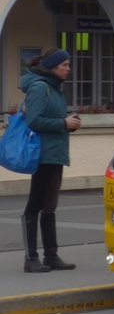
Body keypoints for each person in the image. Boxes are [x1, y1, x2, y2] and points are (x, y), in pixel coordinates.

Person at [20, 48, 82, 273]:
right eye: (64, 65)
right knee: (34, 205)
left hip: (56, 154)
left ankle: (51, 255)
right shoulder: (40, 88)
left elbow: (54, 121)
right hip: (43, 155)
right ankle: (31, 258)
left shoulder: (55, 89)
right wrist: (63, 124)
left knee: (49, 206)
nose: (68, 69)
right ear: (53, 67)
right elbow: (33, 121)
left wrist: (70, 124)